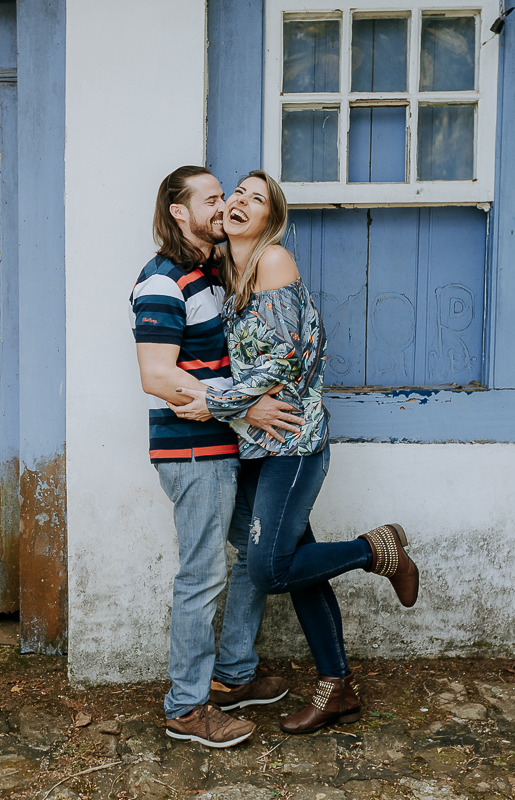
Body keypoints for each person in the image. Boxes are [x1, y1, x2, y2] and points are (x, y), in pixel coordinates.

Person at [173, 171, 420, 735]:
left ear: (270, 219)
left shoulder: (273, 260)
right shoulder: (228, 270)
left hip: (293, 442)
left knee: (270, 568)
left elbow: (282, 360)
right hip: (255, 446)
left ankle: (376, 549)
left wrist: (214, 403)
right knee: (300, 569)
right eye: (236, 193)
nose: (239, 201)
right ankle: (338, 688)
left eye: (255, 198)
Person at [130, 166, 305, 748]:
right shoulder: (162, 281)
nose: (223, 205)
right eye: (211, 199)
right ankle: (186, 706)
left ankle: (233, 676)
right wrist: (244, 408)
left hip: (229, 447)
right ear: (179, 212)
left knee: (255, 554)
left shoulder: (211, 272)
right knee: (201, 576)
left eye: (225, 195)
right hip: (193, 452)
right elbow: (157, 375)